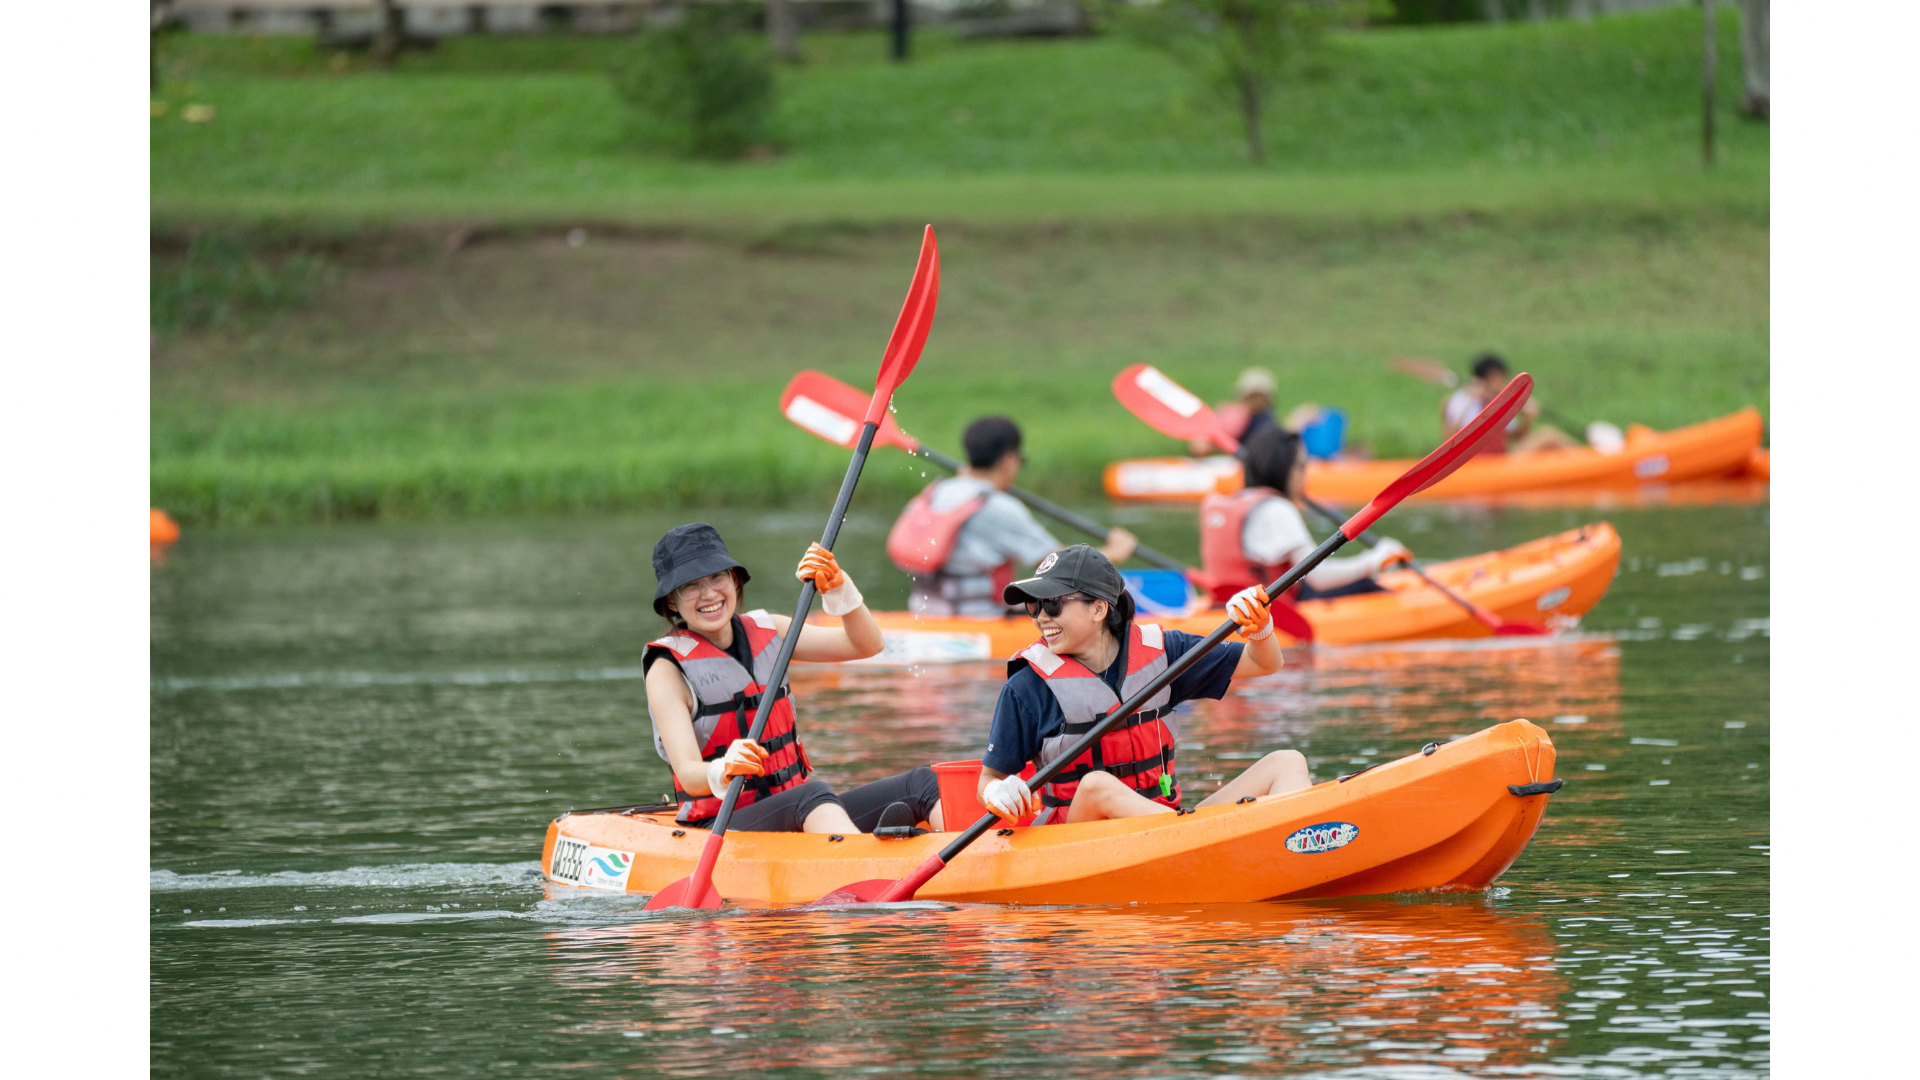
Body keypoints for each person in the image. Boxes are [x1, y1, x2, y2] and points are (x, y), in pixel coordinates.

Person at [973, 545, 1309, 826]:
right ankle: (1193, 840)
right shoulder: (1026, 687)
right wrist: (996, 793)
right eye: (1033, 606)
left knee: (1287, 761)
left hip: (1168, 822)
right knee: (1096, 786)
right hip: (1076, 840)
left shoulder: (1164, 652)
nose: (1040, 617)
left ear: (1099, 608)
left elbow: (1266, 663)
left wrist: (1261, 626)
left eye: (1052, 604)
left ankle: (1295, 849)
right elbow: (988, 779)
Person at [643, 523, 943, 834]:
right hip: (721, 826)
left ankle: (962, 863)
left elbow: (867, 645)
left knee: (923, 783)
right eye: (690, 586)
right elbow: (689, 772)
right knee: (811, 795)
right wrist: (724, 768)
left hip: (798, 809)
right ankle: (866, 866)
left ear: (733, 581)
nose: (709, 594)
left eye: (717, 577)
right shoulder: (666, 669)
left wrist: (840, 590)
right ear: (671, 603)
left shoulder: (772, 630)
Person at [889, 416, 1136, 618]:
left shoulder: (938, 490)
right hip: (979, 619)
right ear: (1008, 460)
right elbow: (1059, 566)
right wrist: (1115, 550)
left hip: (923, 614)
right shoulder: (999, 506)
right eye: (1020, 460)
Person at [1196, 426, 1412, 611]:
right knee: (1364, 584)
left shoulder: (1232, 502)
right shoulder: (1276, 508)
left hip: (1228, 607)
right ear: (1282, 469)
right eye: (1300, 466)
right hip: (1273, 614)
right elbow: (1318, 578)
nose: (1304, 476)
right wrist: (1374, 559)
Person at [1443, 353, 1577, 454]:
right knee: (1548, 435)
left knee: (1548, 435)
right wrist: (1470, 400)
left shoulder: (1500, 403)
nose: (1503, 383)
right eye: (1499, 378)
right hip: (1475, 465)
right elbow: (1450, 440)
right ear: (1491, 378)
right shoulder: (1459, 400)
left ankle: (1588, 461)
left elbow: (1515, 438)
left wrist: (1527, 419)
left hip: (1501, 462)